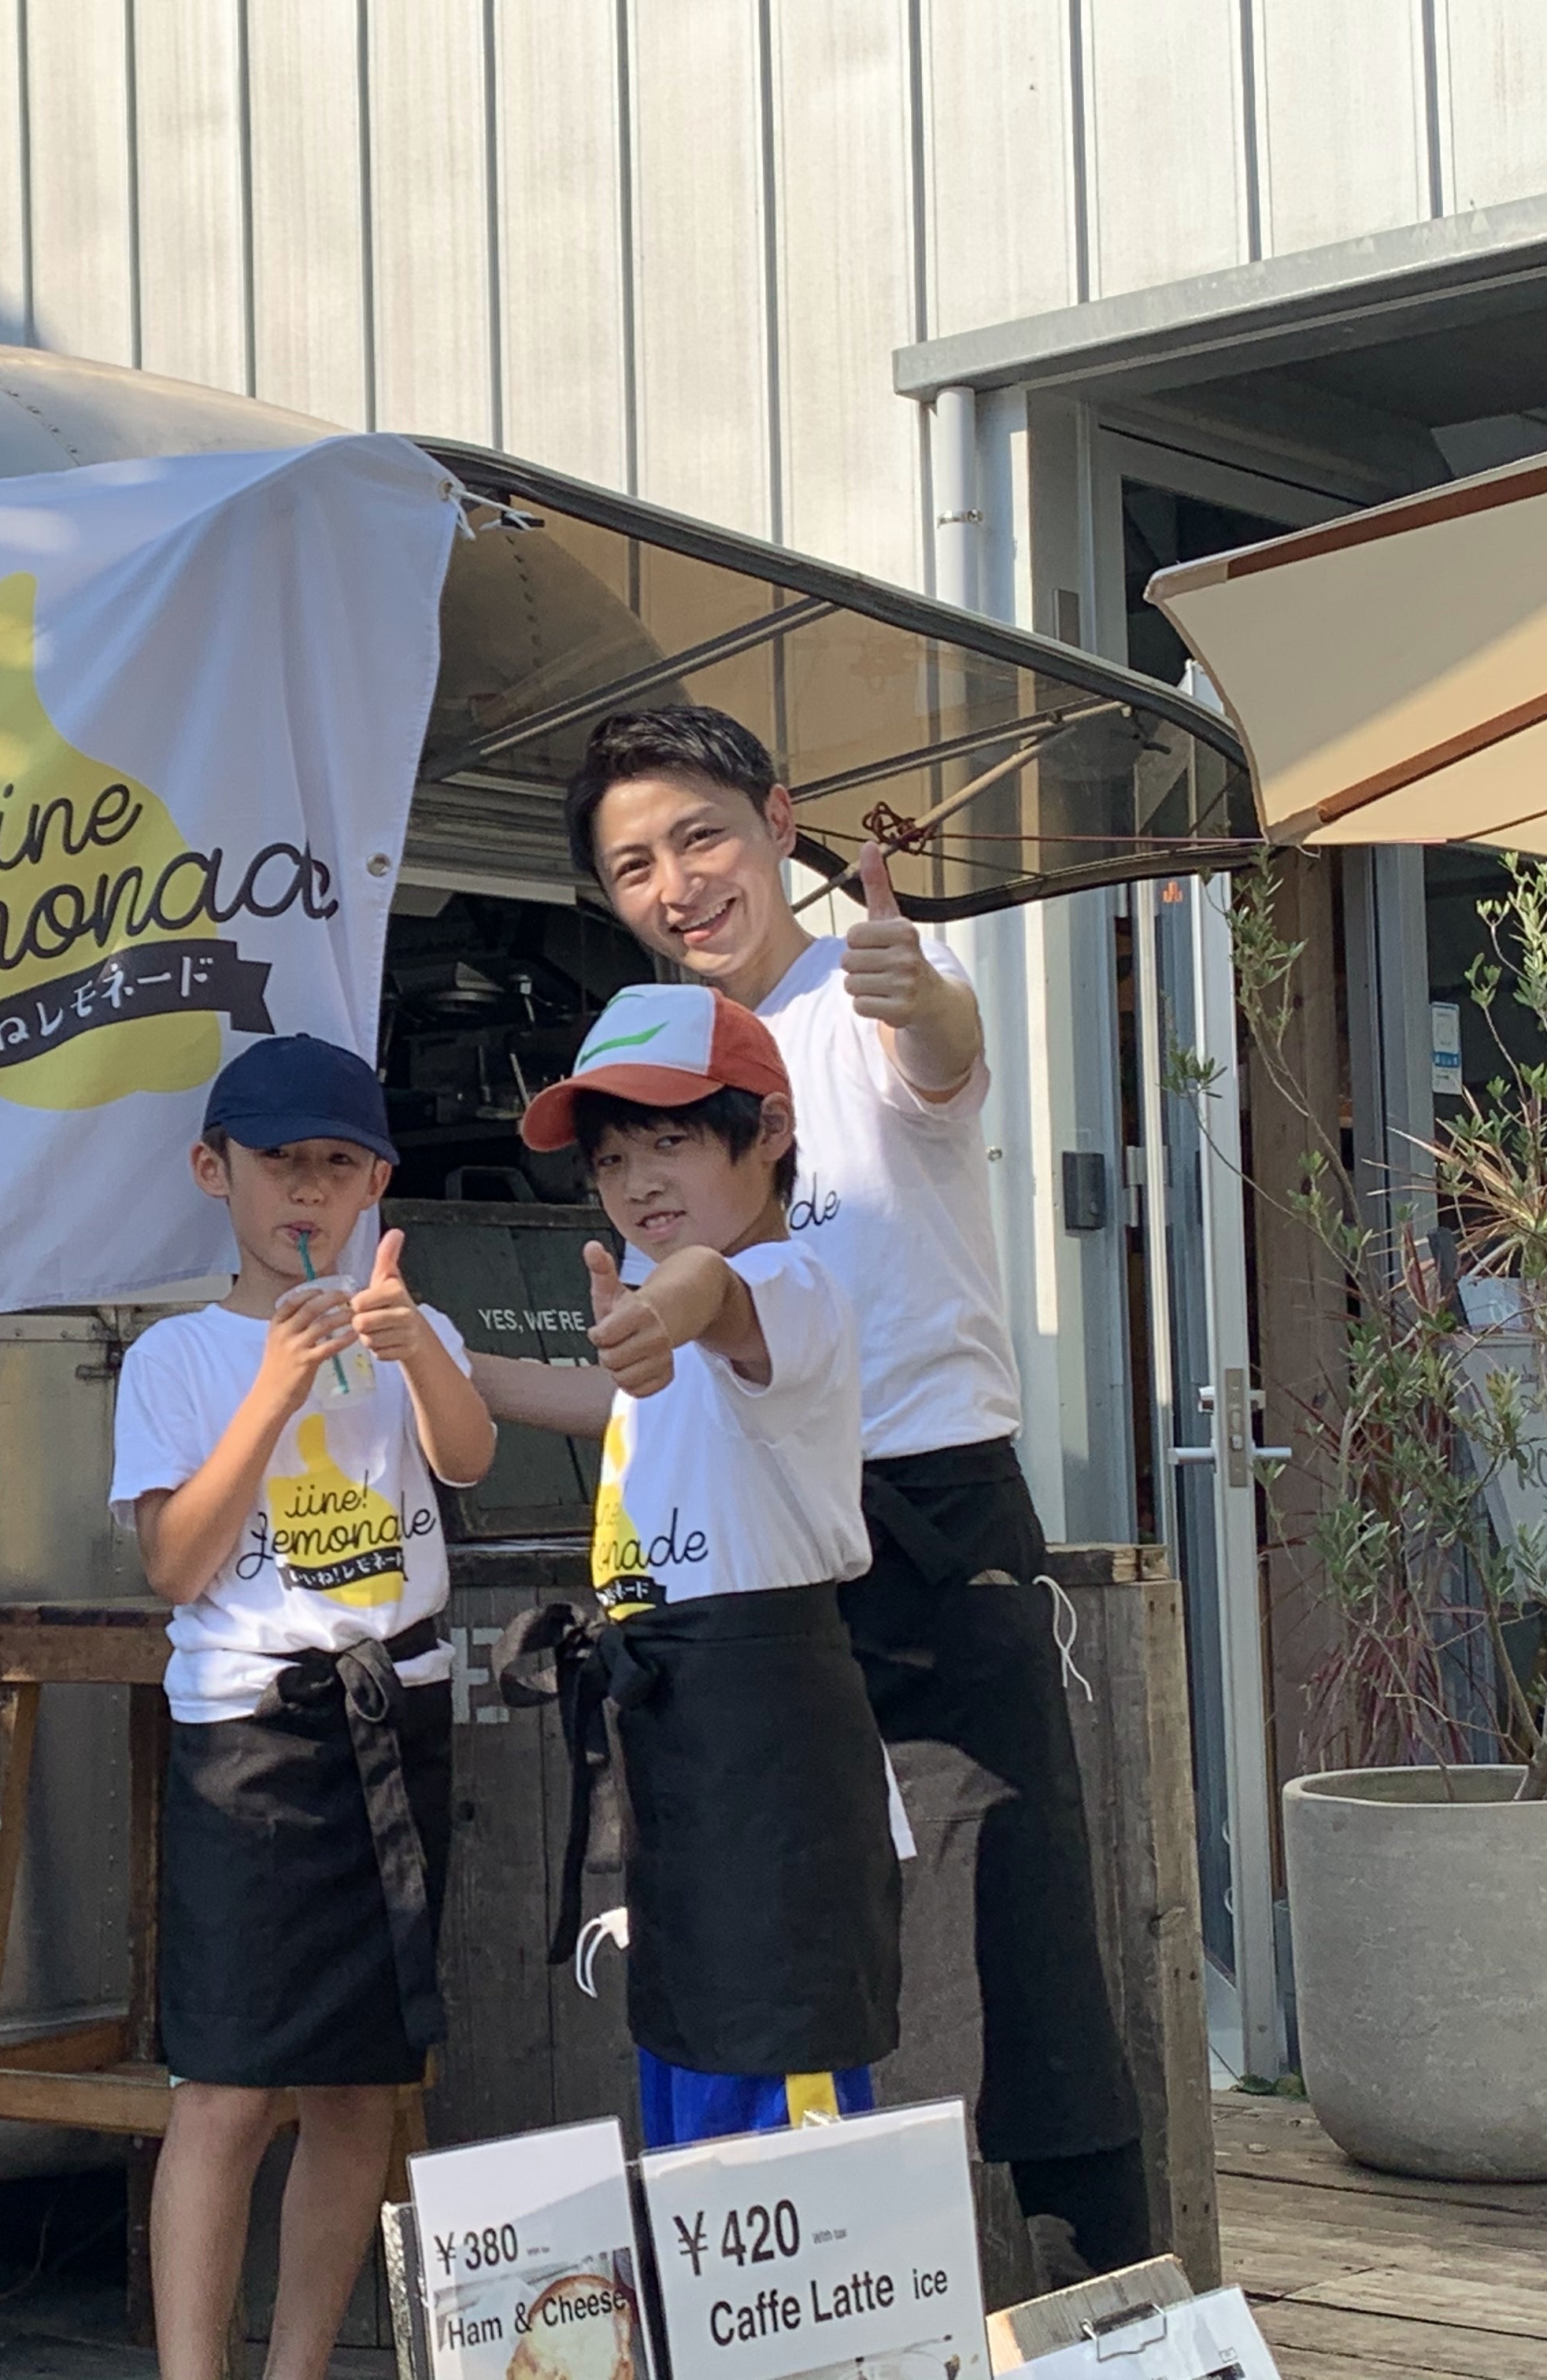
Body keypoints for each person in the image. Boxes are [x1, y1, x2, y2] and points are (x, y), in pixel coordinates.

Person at [473, 706, 1149, 2271]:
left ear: (780, 824)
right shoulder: (663, 1069)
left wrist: (926, 994)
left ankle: (1107, 2300)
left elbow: (944, 1058)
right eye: (633, 867)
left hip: (935, 1524)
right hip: (761, 1569)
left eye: (701, 836)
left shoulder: (864, 996)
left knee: (1020, 1936)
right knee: (776, 1960)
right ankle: (819, 2306)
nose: (677, 884)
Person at [108, 1034, 498, 2380]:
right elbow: (174, 1563)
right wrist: (275, 1389)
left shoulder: (412, 1326)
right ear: (214, 1171)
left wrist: (416, 1348)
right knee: (223, 2086)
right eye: (281, 1162)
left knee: (359, 2085)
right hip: (249, 1738)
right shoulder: (176, 1356)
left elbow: (468, 1457)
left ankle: (302, 2365)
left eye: (339, 1164)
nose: (309, 1192)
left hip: (398, 1713)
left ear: (378, 1182)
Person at [501, 982, 907, 2149]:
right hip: (674, 1743)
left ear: (769, 1130)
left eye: (671, 1141)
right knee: (687, 2079)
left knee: (784, 2099)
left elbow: (714, 1294)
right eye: (612, 1158)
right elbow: (603, 1391)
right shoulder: (661, 1338)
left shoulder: (789, 1286)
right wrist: (434, 1357)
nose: (639, 1182)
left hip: (776, 1753)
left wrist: (660, 1308)